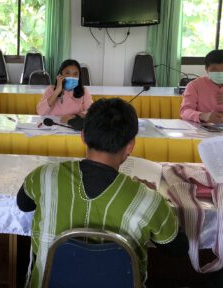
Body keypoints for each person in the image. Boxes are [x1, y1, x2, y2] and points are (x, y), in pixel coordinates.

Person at [18, 98, 188, 287]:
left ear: (83, 136)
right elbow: (178, 249)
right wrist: (149, 195)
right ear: (130, 145)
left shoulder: (44, 176)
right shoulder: (148, 200)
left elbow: (23, 204)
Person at [36, 59, 92, 127]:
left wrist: (74, 116)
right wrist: (57, 91)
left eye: (75, 74)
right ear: (60, 75)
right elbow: (41, 111)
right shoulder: (50, 89)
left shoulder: (84, 91)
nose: (71, 77)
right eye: (67, 73)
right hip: (53, 127)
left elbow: (91, 111)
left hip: (73, 126)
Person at [180, 49, 223, 124]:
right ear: (206, 69)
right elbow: (185, 111)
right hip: (202, 128)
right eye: (214, 69)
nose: (219, 73)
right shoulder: (194, 85)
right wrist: (203, 116)